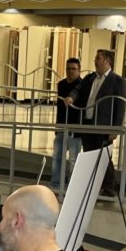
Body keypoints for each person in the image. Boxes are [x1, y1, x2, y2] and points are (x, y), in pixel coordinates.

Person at [74, 48, 126, 200]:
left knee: (103, 157)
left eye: (98, 58)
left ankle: (109, 188)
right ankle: (92, 186)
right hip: (88, 123)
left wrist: (115, 128)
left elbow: (120, 106)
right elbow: (78, 90)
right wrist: (71, 98)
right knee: (89, 155)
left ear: (107, 61)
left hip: (103, 125)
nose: (95, 61)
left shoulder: (117, 81)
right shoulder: (90, 78)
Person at [52, 57, 83, 191]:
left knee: (73, 160)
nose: (70, 71)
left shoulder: (81, 85)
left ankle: (72, 186)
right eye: (68, 68)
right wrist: (57, 127)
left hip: (75, 128)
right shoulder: (61, 84)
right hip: (61, 127)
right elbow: (60, 108)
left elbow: (75, 95)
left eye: (74, 69)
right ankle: (56, 183)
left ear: (79, 70)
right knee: (57, 156)